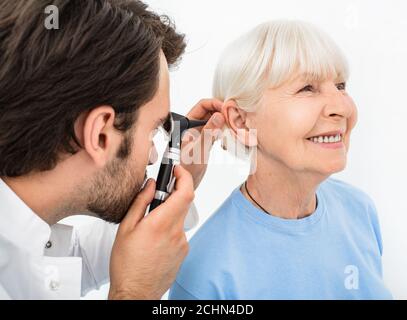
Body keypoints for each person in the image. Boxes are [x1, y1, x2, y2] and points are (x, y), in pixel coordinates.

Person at [0, 0, 225, 299]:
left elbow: (67, 263)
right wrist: (134, 293)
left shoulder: (23, 240)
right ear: (101, 134)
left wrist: (170, 194)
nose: (154, 155)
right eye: (153, 131)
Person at [169, 20, 393, 300]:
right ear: (240, 121)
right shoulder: (204, 275)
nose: (342, 107)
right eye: (307, 88)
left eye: (341, 85)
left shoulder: (360, 212)